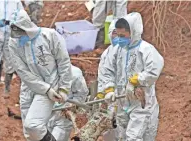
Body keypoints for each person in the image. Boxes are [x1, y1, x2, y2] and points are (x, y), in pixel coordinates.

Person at [98, 12, 164, 140]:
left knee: (135, 137)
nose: (120, 39)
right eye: (118, 35)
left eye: (123, 36)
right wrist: (109, 89)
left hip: (141, 103)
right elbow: (107, 70)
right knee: (122, 136)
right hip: (122, 101)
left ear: (133, 32)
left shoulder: (146, 50)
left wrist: (135, 81)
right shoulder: (118, 50)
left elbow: (153, 71)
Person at [8, 9, 72, 141]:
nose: (17, 35)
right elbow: (22, 71)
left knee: (34, 126)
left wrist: (64, 88)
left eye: (19, 30)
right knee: (29, 133)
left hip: (51, 85)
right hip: (30, 87)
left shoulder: (50, 36)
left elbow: (64, 62)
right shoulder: (13, 43)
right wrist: (44, 88)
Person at [47, 65, 88, 141]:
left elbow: (82, 93)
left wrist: (71, 105)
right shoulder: (43, 71)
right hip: (46, 113)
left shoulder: (75, 73)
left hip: (63, 116)